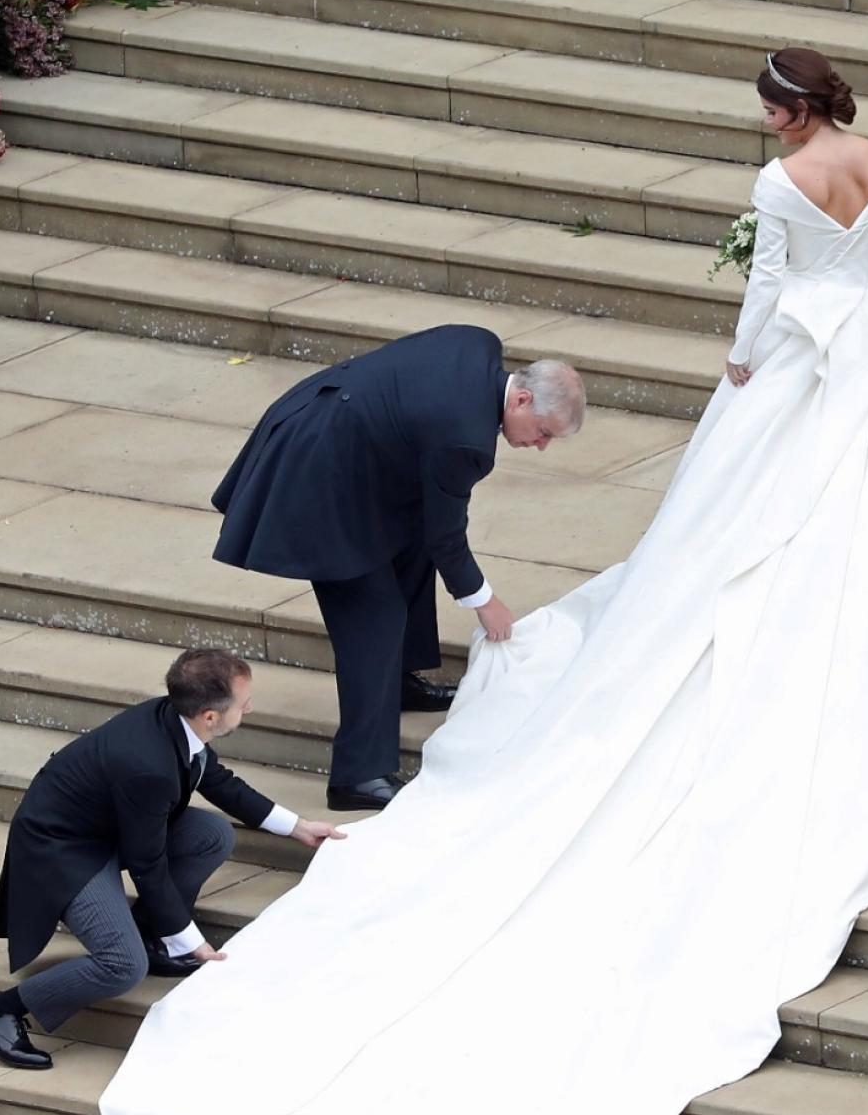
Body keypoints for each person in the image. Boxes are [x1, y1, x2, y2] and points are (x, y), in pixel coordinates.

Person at [100, 48, 868, 1115]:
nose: (763, 123)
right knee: (857, 501)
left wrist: (744, 362)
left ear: (787, 110)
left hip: (797, 353)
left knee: (731, 518)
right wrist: (850, 276)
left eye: (767, 109)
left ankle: (380, 739)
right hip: (867, 340)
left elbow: (765, 298)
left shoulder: (777, 185)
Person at [210, 325, 586, 811]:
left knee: (410, 544)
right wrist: (483, 600)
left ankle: (400, 681)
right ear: (521, 400)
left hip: (343, 439)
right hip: (317, 473)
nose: (541, 446)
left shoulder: (478, 344)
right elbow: (448, 537)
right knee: (374, 616)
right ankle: (359, 775)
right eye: (543, 433)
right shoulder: (465, 441)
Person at [0, 648, 344, 1070]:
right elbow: (147, 865)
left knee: (212, 835)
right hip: (63, 848)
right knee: (123, 966)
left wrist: (298, 827)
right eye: (244, 704)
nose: (250, 708)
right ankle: (0, 1010)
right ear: (210, 716)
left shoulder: (174, 718)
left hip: (109, 825)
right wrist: (191, 940)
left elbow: (217, 781)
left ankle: (153, 937)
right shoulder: (149, 765)